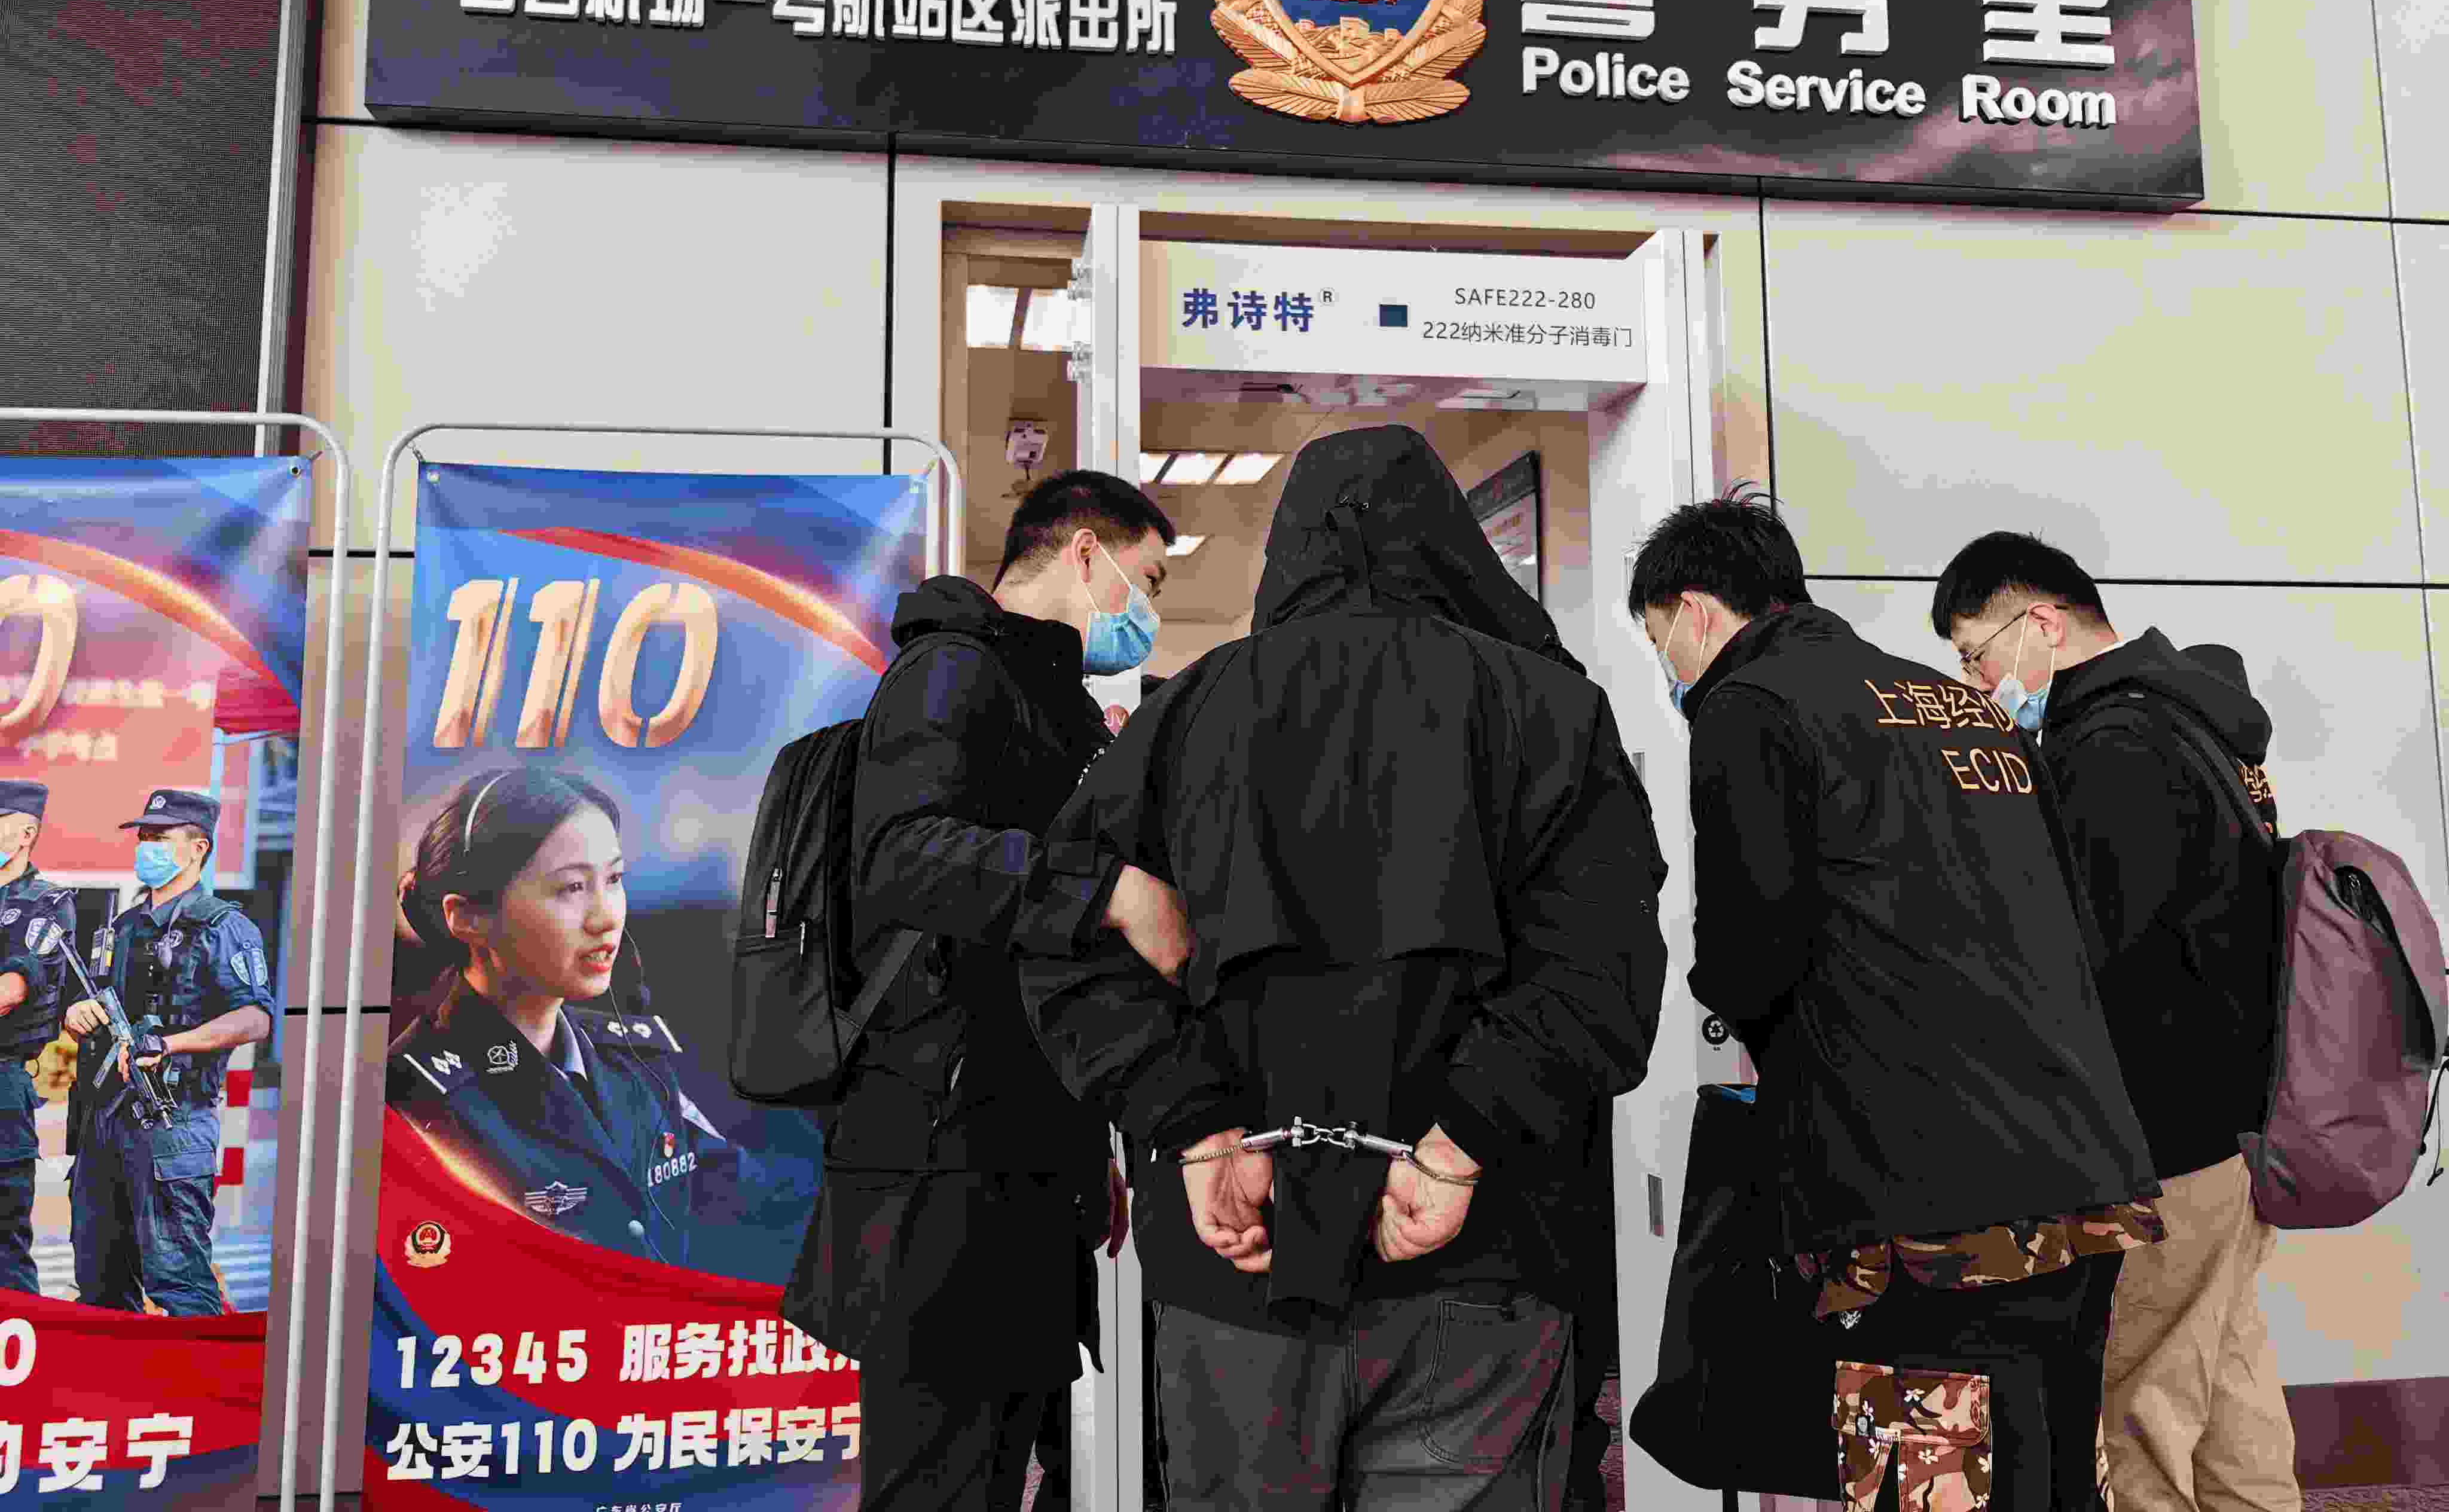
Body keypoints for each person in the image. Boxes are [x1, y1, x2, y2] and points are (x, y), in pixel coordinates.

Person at [1012, 424, 1670, 1512]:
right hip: (1483, 1265)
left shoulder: (1185, 714)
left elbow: (1068, 945)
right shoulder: (1548, 710)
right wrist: (1460, 1145)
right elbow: (1603, 974)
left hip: (1237, 1266)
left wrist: (1196, 1126)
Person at [1637, 490, 2163, 1512]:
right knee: (2056, 1462)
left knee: (1933, 1475)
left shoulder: (1751, 705)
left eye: (1661, 640)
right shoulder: (1962, 705)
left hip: (1916, 1194)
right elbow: (2067, 922)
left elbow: (1750, 952)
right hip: (2080, 1169)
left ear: (1695, 610)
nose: (1670, 665)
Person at [787, 468, 1164, 1512]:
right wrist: (1112, 892)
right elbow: (904, 857)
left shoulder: (1049, 698)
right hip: (939, 1169)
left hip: (1019, 1160)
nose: (1148, 611)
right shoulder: (950, 670)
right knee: (940, 1482)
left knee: (1002, 1471)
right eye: (1147, 579)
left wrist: (1088, 1147)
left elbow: (1027, 961)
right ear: (1084, 553)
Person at [1934, 534, 2300, 1512]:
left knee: (2143, 1417)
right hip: (2226, 1131)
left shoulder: (2110, 747)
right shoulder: (2190, 717)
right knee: (2228, 1401)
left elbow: (2082, 958)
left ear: (2042, 623)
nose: (1974, 683)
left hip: (2160, 1145)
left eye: (1975, 655)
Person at [387, 767, 750, 1269]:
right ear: (469, 917)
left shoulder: (634, 1058)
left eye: (614, 880)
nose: (607, 917)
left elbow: (746, 1194)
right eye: (572, 887)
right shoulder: (412, 1099)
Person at [64, 787, 273, 1316]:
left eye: (160, 837)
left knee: (178, 1282)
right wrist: (79, 1014)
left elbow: (256, 1017)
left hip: (171, 1122)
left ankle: (200, 1372)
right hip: (103, 1120)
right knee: (100, 1281)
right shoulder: (123, 928)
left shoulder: (225, 928)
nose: (147, 847)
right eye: (144, 837)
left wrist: (172, 1043)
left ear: (198, 848)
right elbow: (102, 1006)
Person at [0, 780, 75, 1297]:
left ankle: (21, 1340)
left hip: (3, 1083)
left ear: (26, 833)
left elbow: (9, 991)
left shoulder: (45, 904)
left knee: (4, 1246)